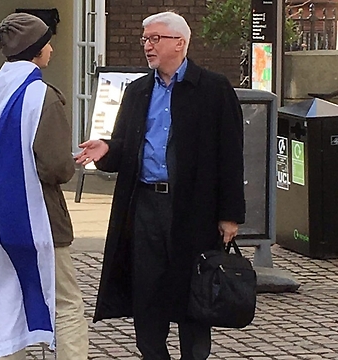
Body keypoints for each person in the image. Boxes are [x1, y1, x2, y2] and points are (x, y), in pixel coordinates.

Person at [75, 11, 245, 360]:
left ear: (180, 43)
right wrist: (107, 148)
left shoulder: (213, 89)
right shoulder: (139, 91)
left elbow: (230, 155)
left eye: (155, 39)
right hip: (145, 206)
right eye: (145, 39)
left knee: (192, 293)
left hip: (193, 209)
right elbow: (126, 145)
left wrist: (230, 215)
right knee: (147, 292)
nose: (147, 46)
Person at [0, 13, 88, 360]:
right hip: (36, 219)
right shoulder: (42, 96)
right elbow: (55, 167)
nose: (52, 49)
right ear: (37, 50)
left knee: (2, 305)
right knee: (66, 305)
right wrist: (70, 162)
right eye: (47, 42)